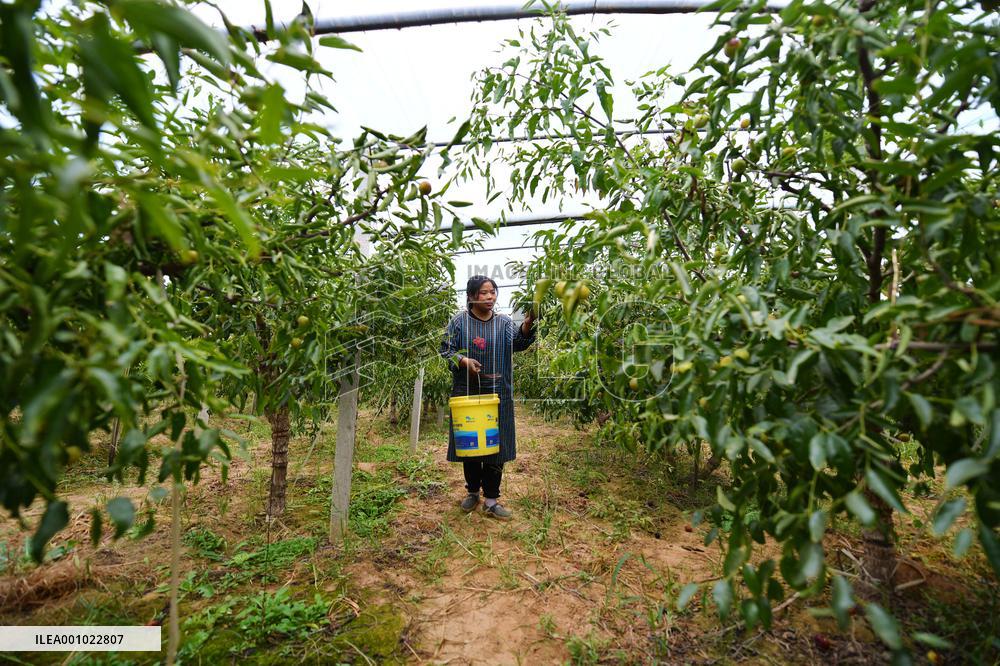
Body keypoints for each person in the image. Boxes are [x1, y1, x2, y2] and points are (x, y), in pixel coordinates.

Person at [439, 275, 537, 519]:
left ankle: (491, 500)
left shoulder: (503, 323)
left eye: (492, 292)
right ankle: (472, 492)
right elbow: (445, 350)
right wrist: (463, 361)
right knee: (471, 443)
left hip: (498, 394)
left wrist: (528, 322)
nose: (490, 297)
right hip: (468, 393)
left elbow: (519, 343)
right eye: (483, 293)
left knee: (496, 446)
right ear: (471, 296)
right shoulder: (459, 322)